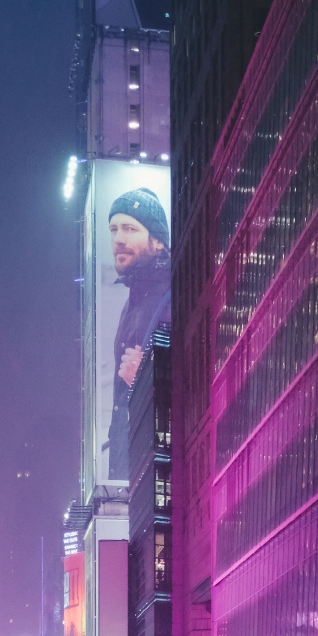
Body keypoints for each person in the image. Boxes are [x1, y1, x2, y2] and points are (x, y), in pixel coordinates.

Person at [106, 186, 170, 479]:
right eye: (114, 229)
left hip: (159, 474)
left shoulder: (172, 293)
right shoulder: (135, 299)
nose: (119, 239)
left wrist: (145, 376)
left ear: (157, 241)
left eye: (130, 228)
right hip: (133, 469)